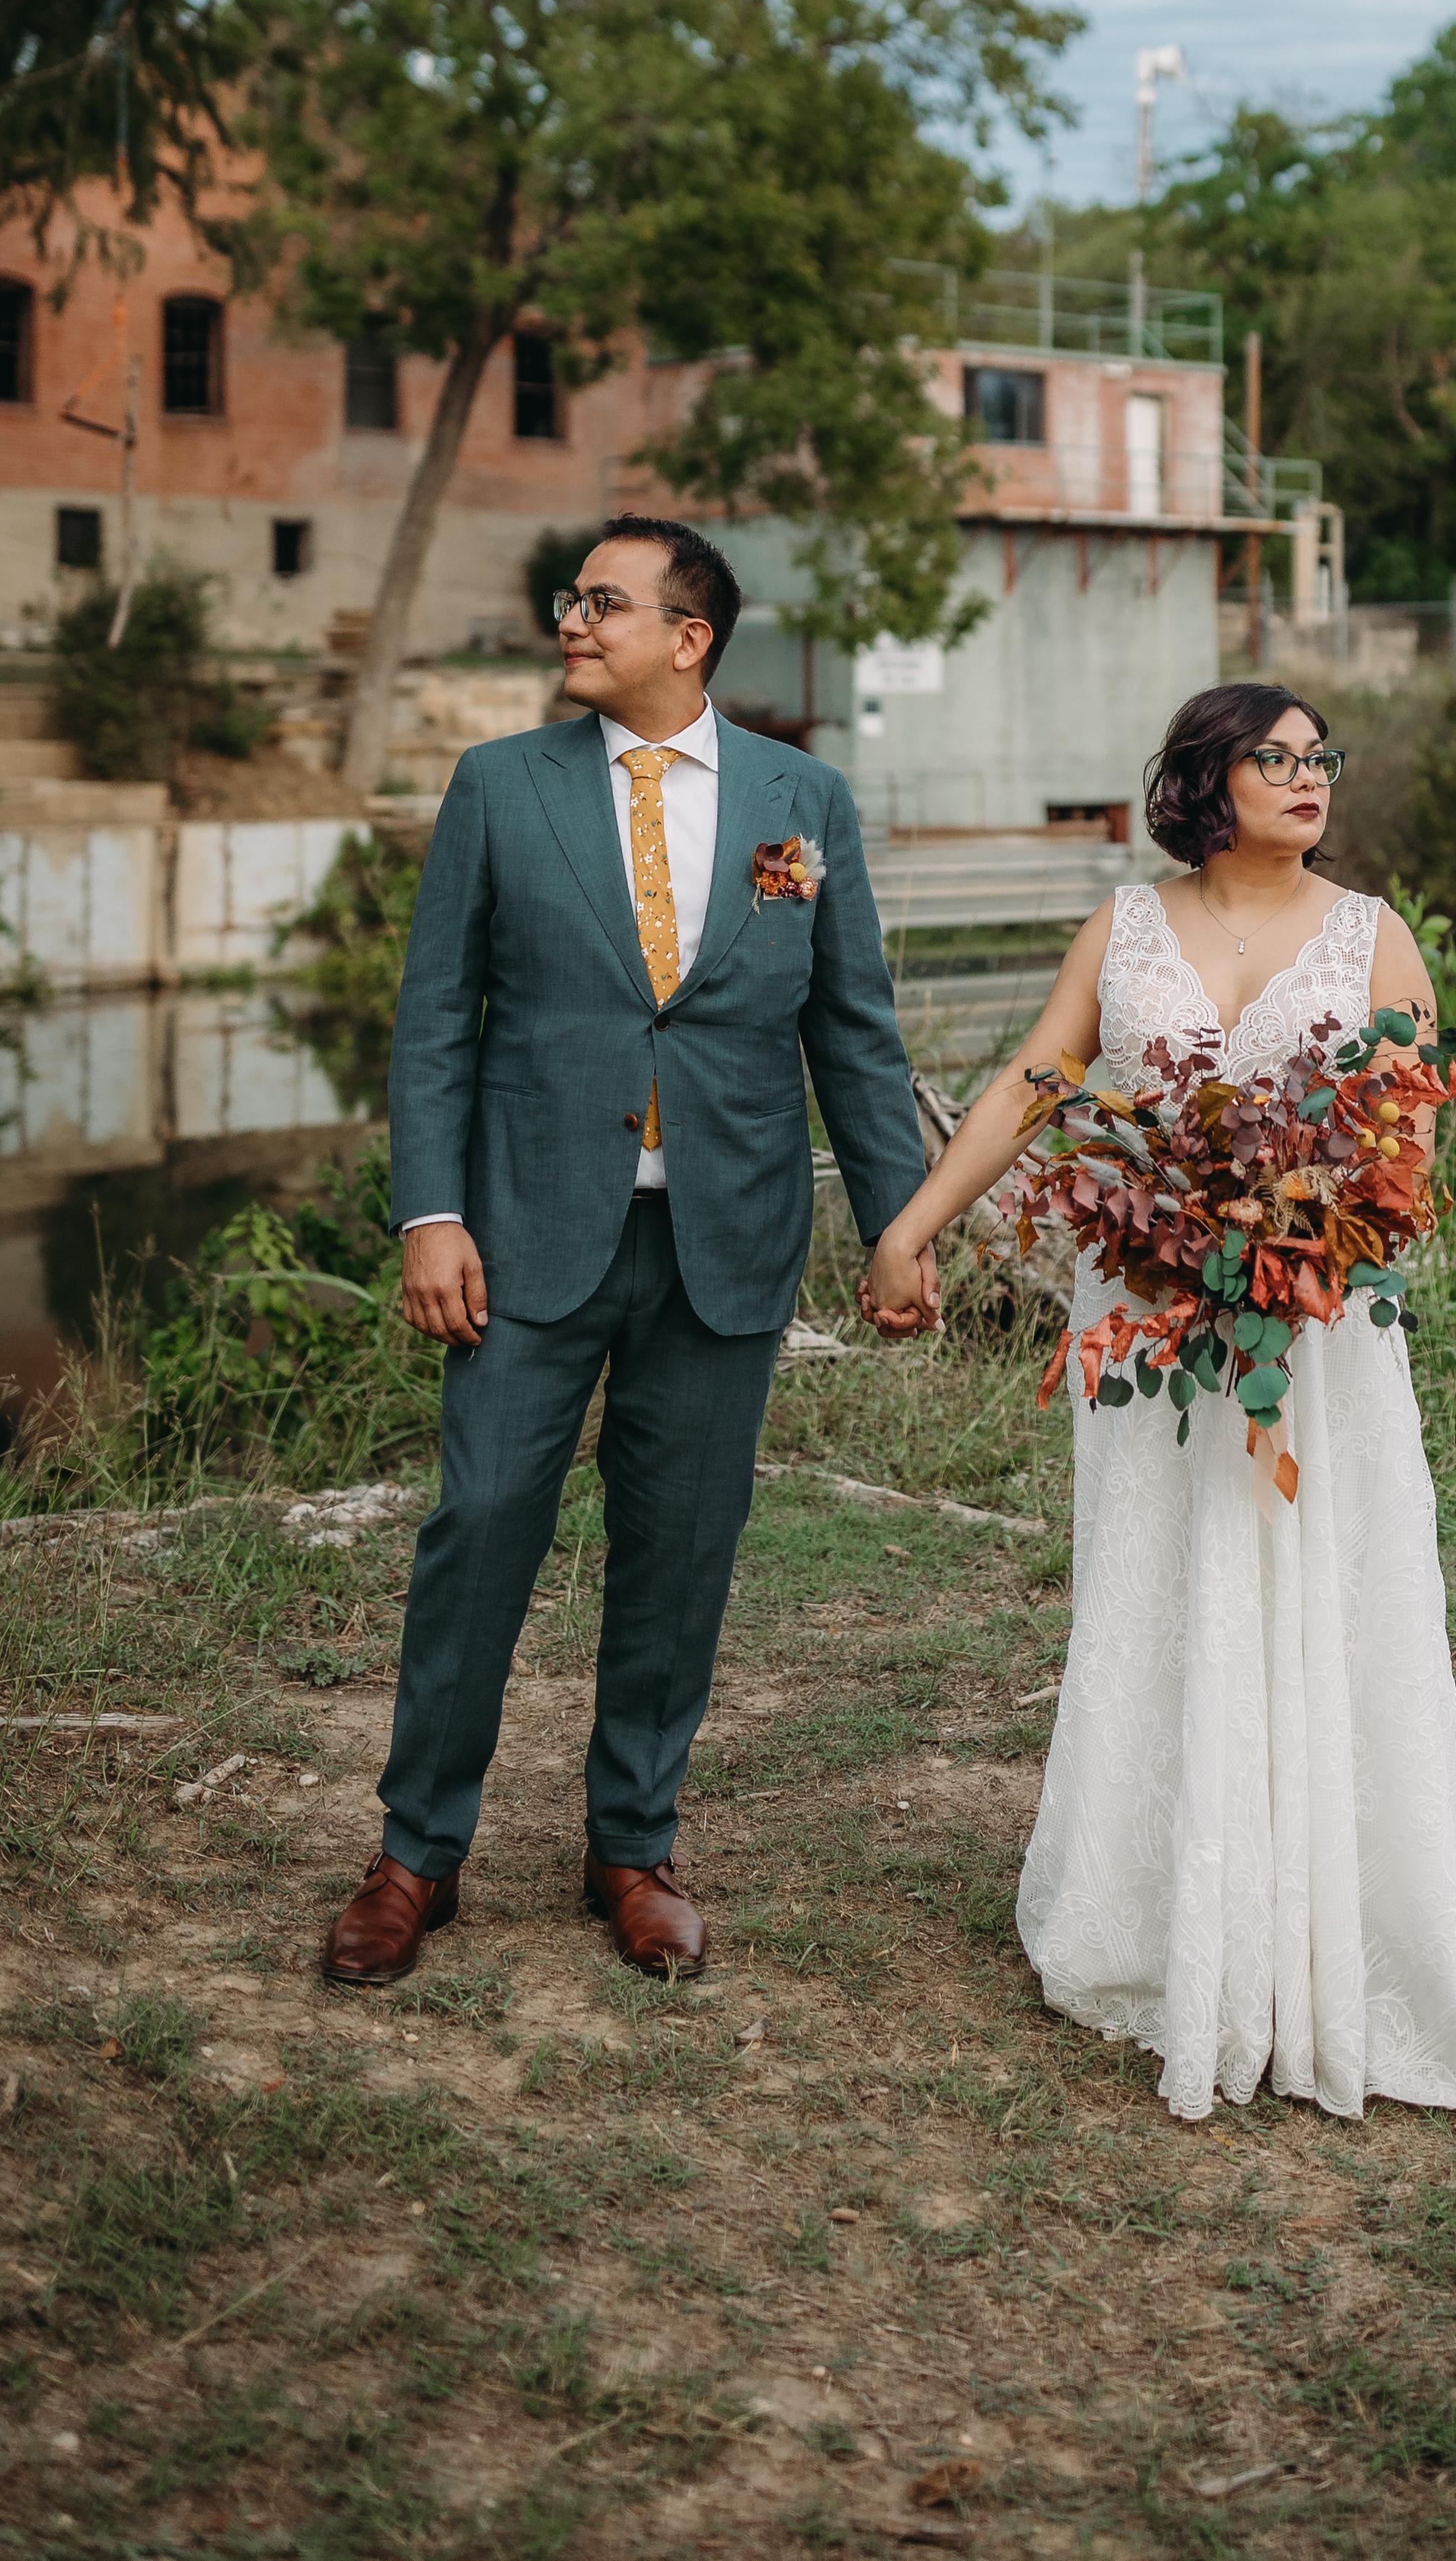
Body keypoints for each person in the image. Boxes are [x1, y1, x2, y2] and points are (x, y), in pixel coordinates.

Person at [858, 679, 1456, 2124]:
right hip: (1147, 1323)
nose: (1307, 773)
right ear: (1205, 779)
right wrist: (914, 1227)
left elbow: (1412, 1146)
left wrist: (1296, 1230)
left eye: (1319, 754)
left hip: (1312, 1326)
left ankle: (1330, 1904)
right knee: (1157, 1582)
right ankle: (1156, 1905)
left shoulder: (1372, 934)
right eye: (1272, 756)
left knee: (1318, 1582)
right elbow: (1033, 1085)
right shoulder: (1121, 928)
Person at [322, 514, 927, 1991]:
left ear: (689, 637)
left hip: (727, 1235)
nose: (572, 623)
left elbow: (851, 1029)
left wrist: (899, 1222)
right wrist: (430, 1212)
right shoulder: (500, 785)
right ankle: (415, 1856)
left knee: (682, 1547)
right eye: (572, 599)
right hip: (527, 1233)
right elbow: (434, 1019)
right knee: (480, 1527)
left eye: (604, 602)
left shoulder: (802, 800)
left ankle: (634, 1848)